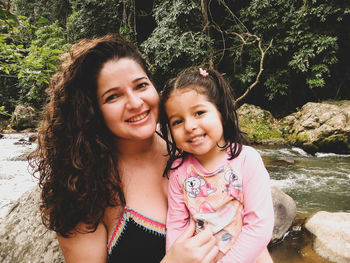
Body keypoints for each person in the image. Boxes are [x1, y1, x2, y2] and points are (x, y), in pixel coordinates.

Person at [29, 34, 219, 263]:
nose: (136, 103)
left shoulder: (192, 140)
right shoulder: (82, 188)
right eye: (113, 97)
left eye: (141, 86)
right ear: (91, 110)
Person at [159, 67, 275, 263]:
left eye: (199, 112)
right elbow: (176, 227)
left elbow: (259, 225)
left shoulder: (247, 160)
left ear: (220, 111)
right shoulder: (179, 172)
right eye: (177, 121)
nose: (189, 126)